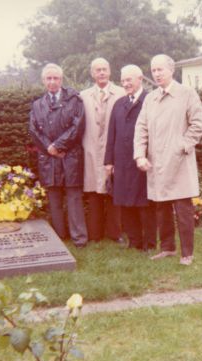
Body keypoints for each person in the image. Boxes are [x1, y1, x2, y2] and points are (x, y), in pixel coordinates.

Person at [134, 54, 202, 265]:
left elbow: (198, 124)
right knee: (161, 207)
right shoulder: (150, 98)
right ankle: (167, 248)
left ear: (171, 70)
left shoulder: (187, 94)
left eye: (160, 70)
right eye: (153, 70)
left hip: (180, 161)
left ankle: (187, 253)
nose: (156, 74)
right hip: (156, 162)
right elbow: (141, 128)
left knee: (183, 208)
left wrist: (182, 146)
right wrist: (139, 155)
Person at [29, 63, 87, 247]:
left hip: (71, 156)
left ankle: (79, 238)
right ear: (43, 81)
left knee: (74, 197)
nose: (52, 81)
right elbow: (34, 130)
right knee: (53, 198)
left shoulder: (75, 100)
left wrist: (60, 145)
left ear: (61, 80)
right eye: (49, 78)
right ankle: (59, 237)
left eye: (56, 78)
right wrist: (50, 148)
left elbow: (78, 126)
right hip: (49, 158)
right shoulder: (37, 105)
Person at [104, 65, 157, 251]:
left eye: (129, 80)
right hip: (121, 162)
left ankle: (149, 243)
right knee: (125, 204)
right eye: (123, 80)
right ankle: (134, 241)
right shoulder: (119, 104)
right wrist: (109, 162)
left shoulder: (151, 100)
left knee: (145, 204)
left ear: (140, 79)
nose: (126, 84)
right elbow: (111, 135)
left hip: (143, 161)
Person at [80, 58, 124, 242]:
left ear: (110, 71)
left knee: (114, 193)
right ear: (92, 73)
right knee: (93, 193)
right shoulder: (83, 96)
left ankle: (116, 233)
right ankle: (95, 234)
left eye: (104, 69)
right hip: (90, 150)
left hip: (114, 149)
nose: (101, 73)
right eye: (97, 70)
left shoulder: (121, 93)